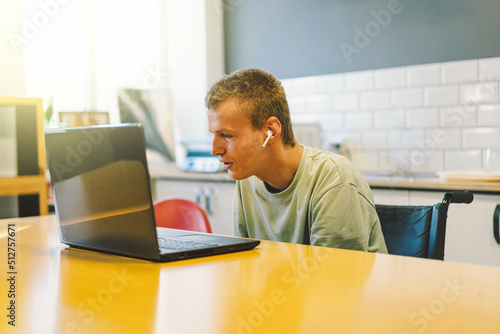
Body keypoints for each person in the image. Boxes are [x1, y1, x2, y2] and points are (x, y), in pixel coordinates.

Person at [205, 69, 387, 253]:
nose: (214, 150)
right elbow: (245, 263)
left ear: (271, 131)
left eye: (226, 135)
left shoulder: (334, 178)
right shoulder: (247, 179)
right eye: (213, 135)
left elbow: (334, 277)